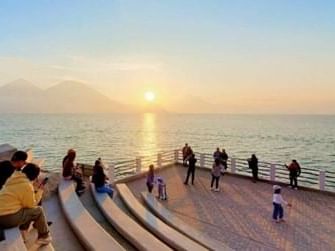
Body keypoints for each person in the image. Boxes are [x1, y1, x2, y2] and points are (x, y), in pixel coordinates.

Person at [0, 163, 52, 245]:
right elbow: (32, 205)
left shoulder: (13, 178)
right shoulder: (26, 185)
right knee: (38, 211)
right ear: (35, 176)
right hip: (7, 218)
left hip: (2, 215)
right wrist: (40, 191)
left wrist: (33, 187)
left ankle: (23, 231)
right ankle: (44, 236)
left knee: (25, 210)